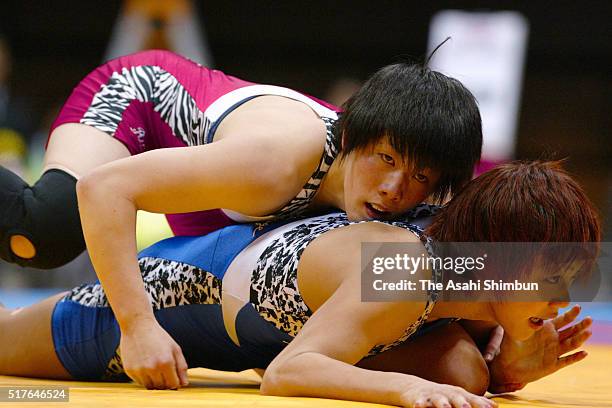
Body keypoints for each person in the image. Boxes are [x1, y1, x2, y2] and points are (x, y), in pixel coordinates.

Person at [0, 161, 599, 408]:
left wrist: (508, 370)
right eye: (552, 278)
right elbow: (288, 373)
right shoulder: (406, 272)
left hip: (230, 293)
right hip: (169, 296)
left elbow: (462, 371)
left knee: (465, 373)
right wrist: (400, 390)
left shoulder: (463, 272)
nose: (562, 300)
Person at [0, 49, 482, 270]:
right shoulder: (275, 161)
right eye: (385, 159)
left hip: (215, 191)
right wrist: (137, 329)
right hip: (140, 101)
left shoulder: (405, 199)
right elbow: (103, 189)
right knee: (43, 232)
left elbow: (474, 258)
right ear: (356, 136)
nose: (394, 189)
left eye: (420, 176)